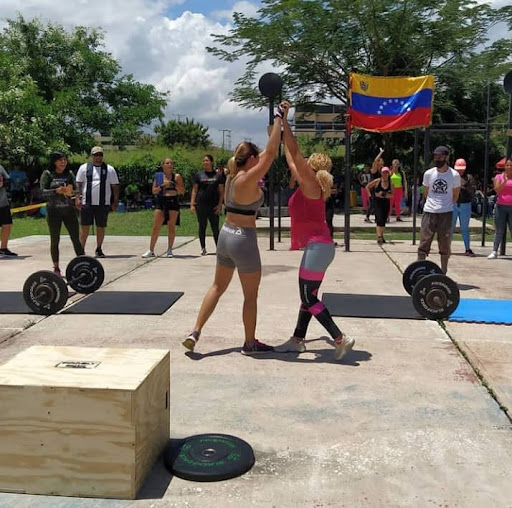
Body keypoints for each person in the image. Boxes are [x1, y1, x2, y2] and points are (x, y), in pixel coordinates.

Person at [183, 114, 284, 355]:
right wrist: (280, 120)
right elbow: (270, 155)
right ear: (250, 159)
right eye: (256, 158)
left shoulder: (230, 177)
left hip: (226, 235)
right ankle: (250, 343)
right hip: (243, 239)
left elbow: (267, 154)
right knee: (250, 296)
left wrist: (273, 134)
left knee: (217, 286)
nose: (259, 161)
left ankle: (195, 331)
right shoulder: (247, 178)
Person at [274, 102, 354, 361]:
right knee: (309, 296)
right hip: (319, 247)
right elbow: (291, 156)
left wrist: (286, 120)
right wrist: (282, 132)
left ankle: (340, 338)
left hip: (318, 247)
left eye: (306, 161)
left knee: (308, 296)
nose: (302, 161)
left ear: (312, 165)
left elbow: (295, 152)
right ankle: (298, 339)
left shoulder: (310, 185)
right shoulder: (310, 184)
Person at [417, 146, 461, 274]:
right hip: (430, 211)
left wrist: (445, 205)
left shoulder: (454, 175)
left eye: (440, 157)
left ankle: (443, 271)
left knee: (444, 242)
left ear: (446, 158)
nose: (437, 159)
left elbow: (455, 195)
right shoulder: (429, 173)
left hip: (445, 212)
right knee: (424, 241)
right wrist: (432, 204)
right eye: (435, 156)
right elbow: (425, 192)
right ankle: (420, 270)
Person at [40, 152, 85, 275]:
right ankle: (56, 268)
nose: (63, 162)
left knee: (76, 238)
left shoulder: (69, 174)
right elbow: (42, 192)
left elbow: (77, 190)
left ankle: (82, 263)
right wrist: (56, 191)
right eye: (60, 160)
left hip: (69, 211)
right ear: (54, 162)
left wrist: (76, 196)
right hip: (54, 212)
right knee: (55, 239)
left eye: (65, 160)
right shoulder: (47, 174)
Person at [75, 146, 120, 258]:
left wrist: (115, 202)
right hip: (87, 203)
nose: (98, 157)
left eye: (100, 155)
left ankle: (99, 248)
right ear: (92, 156)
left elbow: (115, 186)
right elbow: (78, 184)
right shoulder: (84, 168)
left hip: (103, 203)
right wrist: (77, 198)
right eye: (96, 155)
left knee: (101, 227)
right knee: (84, 227)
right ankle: (81, 251)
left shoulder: (109, 169)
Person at [142, 158, 185, 258]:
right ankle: (151, 250)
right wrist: (162, 186)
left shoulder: (177, 176)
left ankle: (170, 249)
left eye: (171, 163)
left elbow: (182, 191)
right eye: (167, 163)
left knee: (171, 226)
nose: (169, 165)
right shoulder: (159, 176)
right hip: (161, 201)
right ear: (163, 165)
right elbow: (154, 191)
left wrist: (172, 184)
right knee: (156, 226)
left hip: (173, 201)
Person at [190, 155, 225, 256]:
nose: (205, 162)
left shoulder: (218, 175)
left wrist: (220, 205)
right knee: (202, 226)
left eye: (207, 160)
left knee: (215, 227)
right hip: (201, 205)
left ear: (211, 162)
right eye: (203, 160)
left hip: (214, 205)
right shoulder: (199, 175)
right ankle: (203, 248)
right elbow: (195, 190)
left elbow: (221, 191)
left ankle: (219, 248)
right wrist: (192, 204)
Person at [487, 158, 512, 259]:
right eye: (507, 165)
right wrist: (504, 182)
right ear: (504, 167)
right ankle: (494, 251)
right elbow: (497, 190)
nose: (509, 167)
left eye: (511, 166)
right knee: (499, 230)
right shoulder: (499, 177)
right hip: (501, 207)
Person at [451, 158, 475, 257]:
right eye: (458, 168)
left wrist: (465, 184)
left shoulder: (469, 178)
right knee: (450, 227)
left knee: (464, 228)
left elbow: (472, 191)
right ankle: (447, 247)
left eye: (462, 168)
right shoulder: (451, 176)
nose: (460, 171)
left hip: (465, 205)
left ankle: (467, 248)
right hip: (453, 204)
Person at [366, 166, 394, 244]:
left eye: (386, 173)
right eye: (383, 172)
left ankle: (381, 235)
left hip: (386, 202)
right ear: (381, 173)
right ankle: (379, 236)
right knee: (379, 219)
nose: (385, 174)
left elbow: (392, 195)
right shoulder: (377, 181)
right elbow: (367, 187)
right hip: (378, 203)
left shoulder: (390, 183)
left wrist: (385, 195)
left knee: (384, 220)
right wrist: (370, 196)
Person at [0, 164, 18, 257]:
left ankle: (3, 248)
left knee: (7, 225)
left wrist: (3, 183)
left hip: (2, 202)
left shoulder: (0, 167)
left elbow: (8, 180)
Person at [365, 148, 385, 223]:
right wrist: (381, 153)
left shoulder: (381, 170)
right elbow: (375, 160)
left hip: (378, 188)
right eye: (381, 161)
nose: (383, 162)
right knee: (372, 203)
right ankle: (367, 217)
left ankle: (379, 217)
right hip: (372, 188)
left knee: (378, 203)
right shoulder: (374, 169)